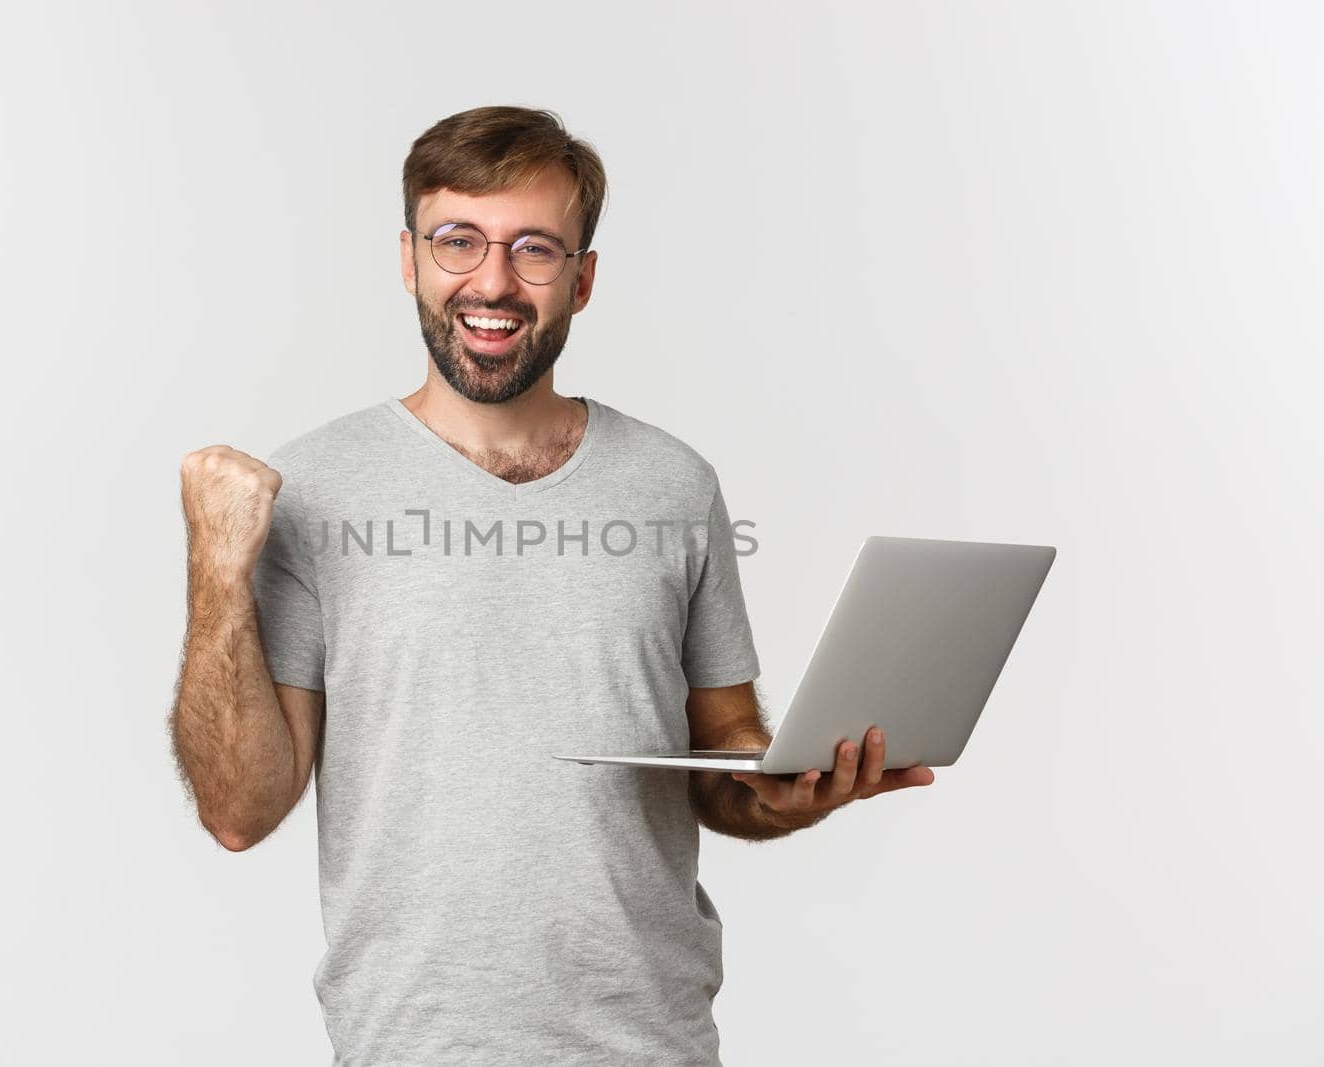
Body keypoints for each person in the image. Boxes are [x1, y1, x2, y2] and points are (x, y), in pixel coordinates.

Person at [170, 105, 934, 1065]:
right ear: (408, 259)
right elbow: (241, 810)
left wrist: (788, 791)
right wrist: (215, 568)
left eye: (535, 249)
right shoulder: (317, 486)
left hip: (650, 1040)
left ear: (584, 278)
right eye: (459, 242)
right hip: (415, 1042)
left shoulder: (674, 483)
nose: (492, 281)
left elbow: (725, 757)